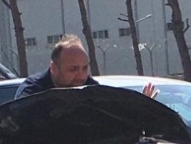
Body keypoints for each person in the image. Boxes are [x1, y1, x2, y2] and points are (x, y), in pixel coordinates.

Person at [15, 34, 156, 99]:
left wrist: (141, 107)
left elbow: (114, 118)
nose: (81, 76)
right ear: (54, 68)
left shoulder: (91, 88)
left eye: (84, 68)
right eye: (73, 69)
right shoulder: (32, 92)